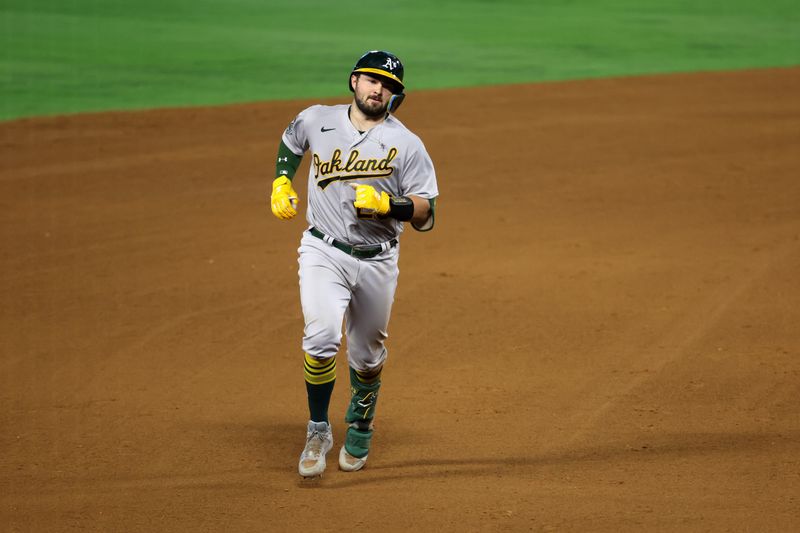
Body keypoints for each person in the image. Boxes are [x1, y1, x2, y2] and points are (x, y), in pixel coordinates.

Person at [269, 50, 439, 477]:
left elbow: (427, 212)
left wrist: (391, 204)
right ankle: (318, 429)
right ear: (354, 82)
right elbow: (291, 142)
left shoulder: (408, 144)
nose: (378, 88)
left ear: (395, 95)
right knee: (321, 336)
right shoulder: (316, 118)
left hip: (377, 260)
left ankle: (362, 420)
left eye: (388, 85)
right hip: (323, 250)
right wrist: (281, 180)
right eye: (371, 80)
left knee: (367, 355)